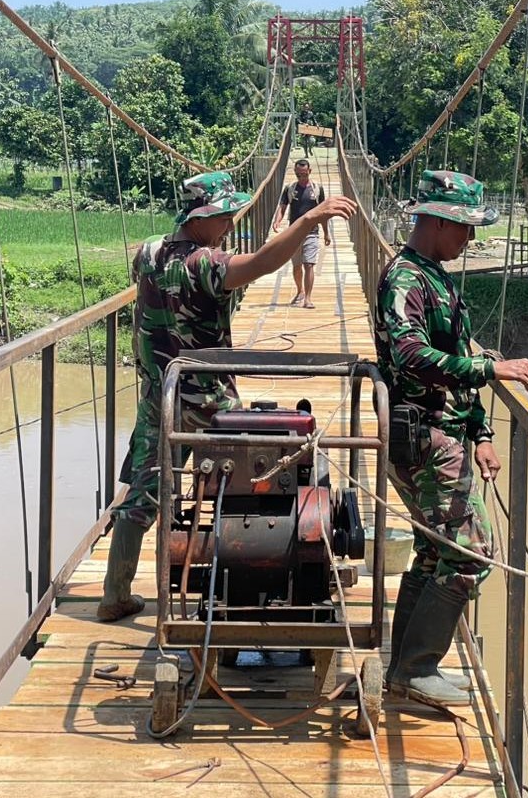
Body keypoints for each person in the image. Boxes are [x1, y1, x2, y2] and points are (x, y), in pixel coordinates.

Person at [97, 171, 355, 622]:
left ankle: (114, 593)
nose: (231, 224)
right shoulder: (207, 264)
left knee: (143, 493)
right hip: (209, 399)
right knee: (252, 473)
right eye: (226, 215)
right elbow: (263, 264)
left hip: (160, 394)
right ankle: (249, 565)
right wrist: (310, 218)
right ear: (202, 217)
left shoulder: (146, 252)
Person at [374, 169, 528, 707]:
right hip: (422, 436)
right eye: (464, 228)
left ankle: (406, 667)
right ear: (436, 220)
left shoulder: (436, 275)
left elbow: (460, 353)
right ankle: (418, 667)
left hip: (443, 430)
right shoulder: (406, 279)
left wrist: (482, 432)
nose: (470, 240)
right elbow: (411, 356)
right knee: (471, 553)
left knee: (434, 551)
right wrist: (492, 372)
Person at [271, 158, 331, 309]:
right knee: (297, 266)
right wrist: (277, 221)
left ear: (309, 171)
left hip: (312, 232)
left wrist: (326, 233)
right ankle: (300, 291)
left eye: (304, 174)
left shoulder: (317, 189)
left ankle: (308, 299)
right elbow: (283, 206)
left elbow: (323, 213)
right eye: (298, 175)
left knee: (309, 264)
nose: (301, 177)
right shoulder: (290, 189)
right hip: (294, 233)